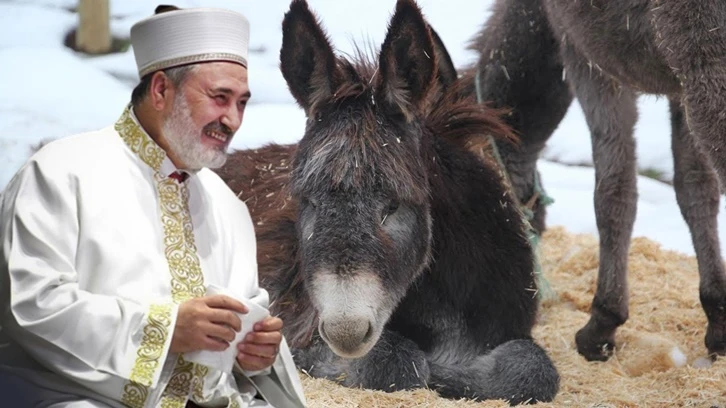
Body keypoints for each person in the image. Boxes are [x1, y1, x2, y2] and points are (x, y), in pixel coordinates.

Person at [0, 5, 306, 408]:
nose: (232, 120)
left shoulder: (228, 206)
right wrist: (163, 330)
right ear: (161, 90)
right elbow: (28, 305)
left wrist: (257, 355)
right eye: (219, 98)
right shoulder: (59, 172)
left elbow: (244, 333)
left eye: (242, 103)